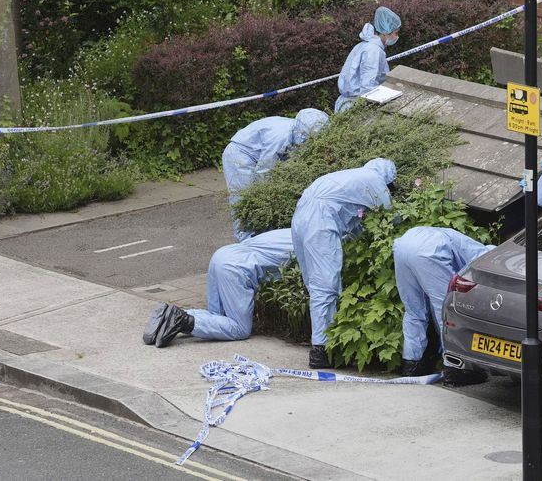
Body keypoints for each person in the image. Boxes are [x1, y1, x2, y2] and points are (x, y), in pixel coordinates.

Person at [292, 158, 396, 368]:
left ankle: (324, 339)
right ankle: (322, 350)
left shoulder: (351, 176)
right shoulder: (376, 182)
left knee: (314, 282)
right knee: (326, 285)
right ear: (388, 179)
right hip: (319, 220)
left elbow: (352, 218)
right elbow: (390, 221)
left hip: (301, 215)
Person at [143, 229, 295, 347]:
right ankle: (182, 321)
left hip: (223, 254)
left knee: (217, 316)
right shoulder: (312, 246)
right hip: (236, 267)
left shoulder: (293, 231)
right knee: (239, 329)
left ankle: (169, 315)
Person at [392, 227, 494, 377]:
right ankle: (455, 369)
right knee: (447, 311)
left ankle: (411, 364)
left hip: (402, 245)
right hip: (430, 249)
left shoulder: (464, 242)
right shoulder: (483, 255)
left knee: (413, 309)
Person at [223, 110, 330, 241]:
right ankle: (246, 241)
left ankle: (262, 236)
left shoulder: (299, 130)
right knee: (243, 198)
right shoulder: (279, 137)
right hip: (240, 155)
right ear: (302, 132)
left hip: (256, 154)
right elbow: (265, 172)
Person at [335, 6, 402, 112]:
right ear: (385, 32)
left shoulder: (365, 45)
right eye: (396, 33)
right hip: (355, 106)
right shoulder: (373, 51)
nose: (397, 36)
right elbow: (368, 87)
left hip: (349, 103)